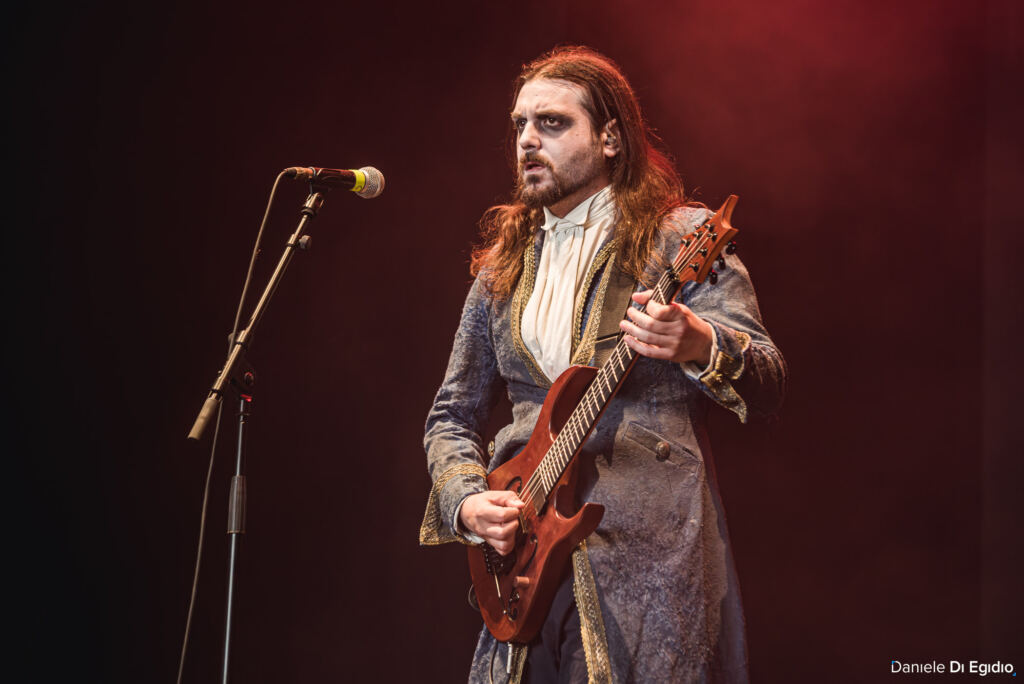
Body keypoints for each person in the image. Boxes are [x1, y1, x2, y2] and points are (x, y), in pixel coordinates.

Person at [419, 45, 786, 684]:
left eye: (552, 123)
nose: (528, 141)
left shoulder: (679, 239)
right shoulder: (500, 272)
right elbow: (451, 414)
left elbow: (770, 381)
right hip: (525, 565)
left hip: (647, 560)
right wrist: (466, 503)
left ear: (611, 137)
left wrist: (699, 342)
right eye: (520, 125)